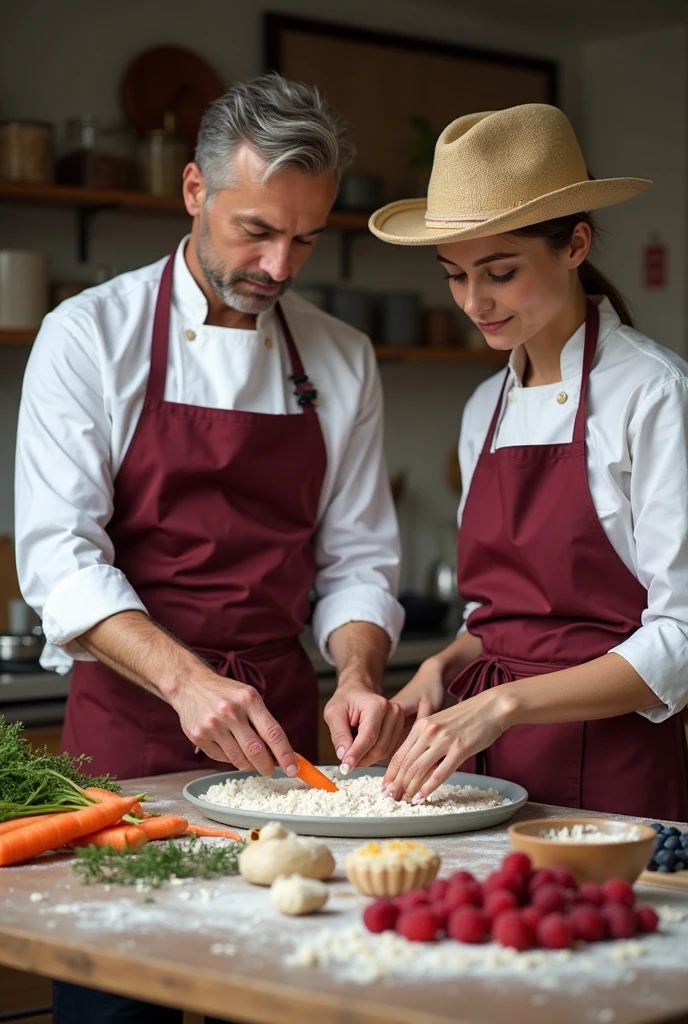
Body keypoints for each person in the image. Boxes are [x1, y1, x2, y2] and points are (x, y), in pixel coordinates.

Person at [15, 73, 405, 1024]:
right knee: (117, 1009)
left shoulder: (340, 357)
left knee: (273, 993)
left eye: (305, 238)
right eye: (256, 230)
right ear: (195, 190)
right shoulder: (87, 337)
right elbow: (59, 559)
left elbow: (358, 557)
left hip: (283, 751)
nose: (279, 264)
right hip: (129, 745)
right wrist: (187, 683)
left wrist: (356, 672)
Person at [369, 103, 688, 821]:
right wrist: (440, 668)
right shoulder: (485, 405)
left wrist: (502, 704)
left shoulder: (654, 393)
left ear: (575, 245)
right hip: (477, 768)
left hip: (613, 770)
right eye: (454, 275)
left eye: (500, 272)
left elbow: (681, 638)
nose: (473, 302)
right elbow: (501, 618)